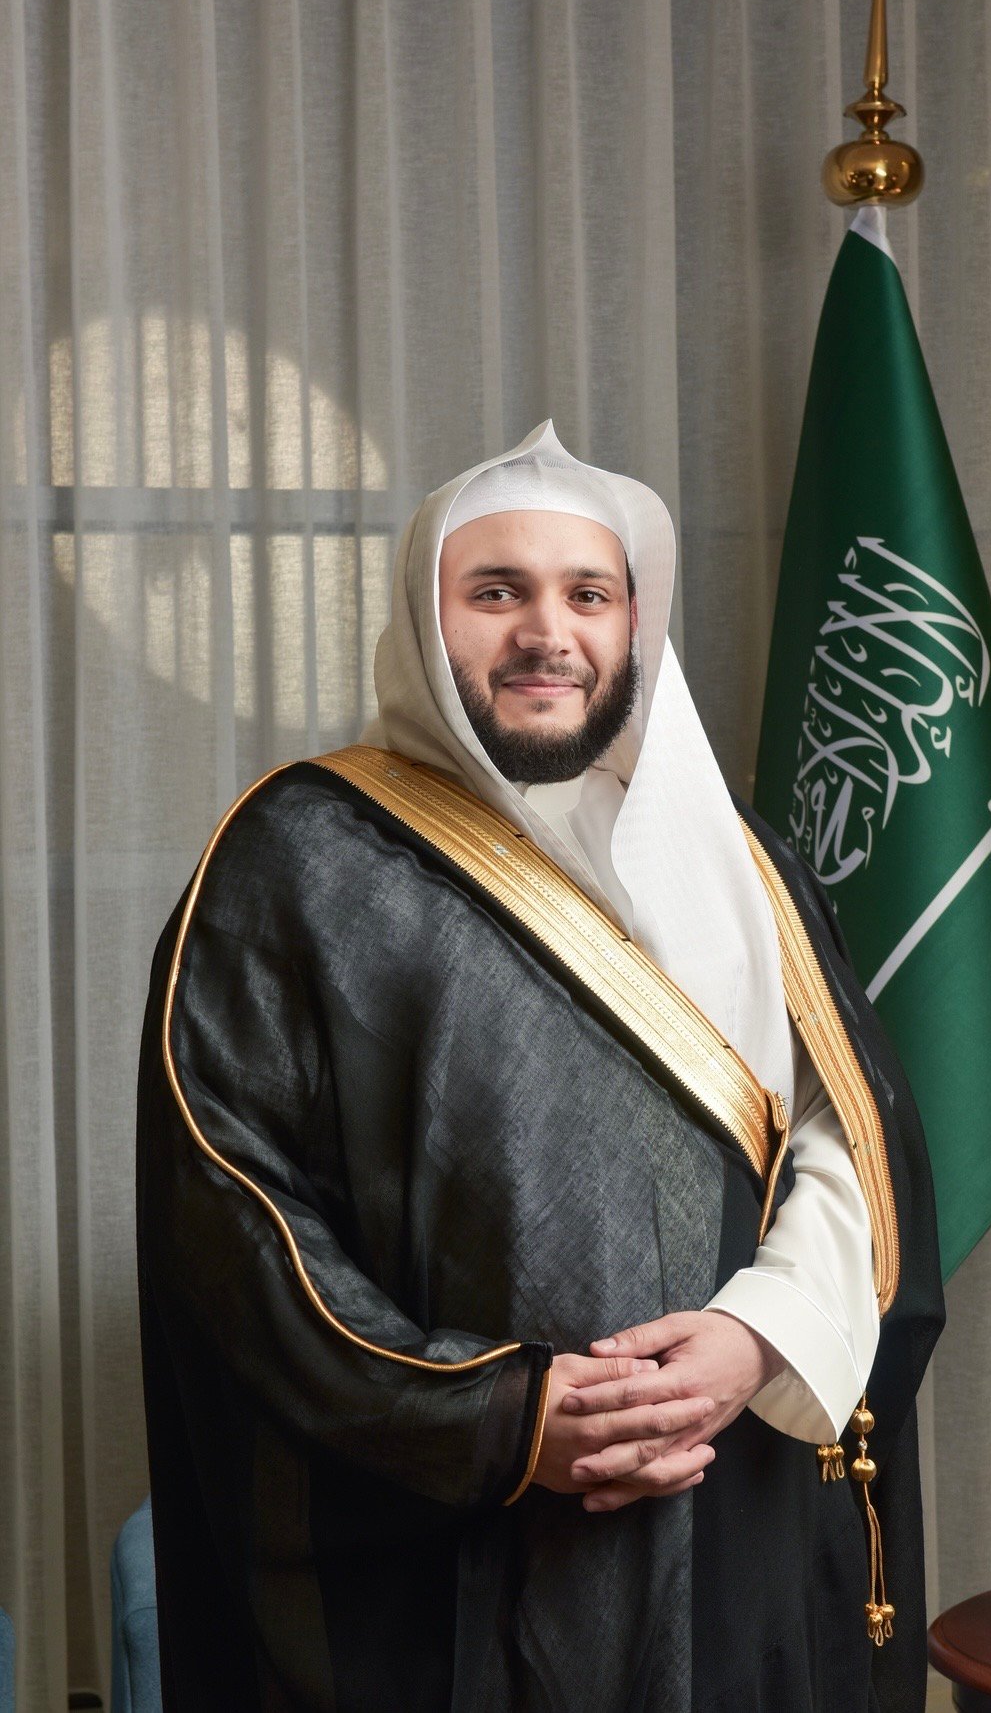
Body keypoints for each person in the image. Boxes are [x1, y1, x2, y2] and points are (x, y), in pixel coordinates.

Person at [136, 419, 944, 1712]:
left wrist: (760, 1334)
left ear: (635, 622)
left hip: (733, 1506)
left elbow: (850, 1137)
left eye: (588, 595)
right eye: (497, 591)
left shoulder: (744, 863)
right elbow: (232, 1210)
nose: (547, 633)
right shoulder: (297, 858)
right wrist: (506, 1418)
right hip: (448, 1550)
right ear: (426, 618)